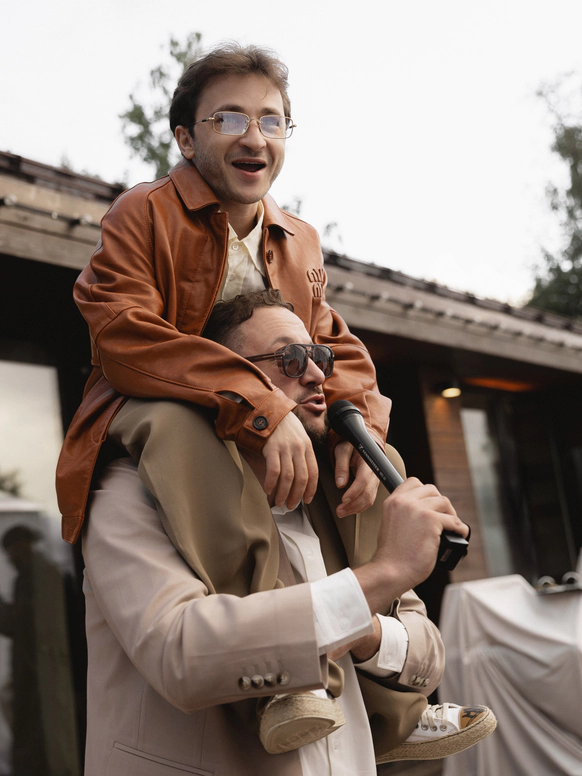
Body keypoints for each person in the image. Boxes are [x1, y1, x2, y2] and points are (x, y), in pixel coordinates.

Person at [81, 290, 495, 775]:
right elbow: (181, 653)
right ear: (223, 380)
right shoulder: (129, 492)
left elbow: (427, 651)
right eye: (290, 359)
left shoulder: (338, 497)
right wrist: (384, 575)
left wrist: (358, 624)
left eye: (319, 357)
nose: (317, 374)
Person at [56, 42, 391, 550]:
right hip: (160, 404)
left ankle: (380, 589)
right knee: (176, 427)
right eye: (230, 119)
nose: (255, 138)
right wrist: (261, 405)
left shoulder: (300, 238)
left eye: (272, 121)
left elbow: (330, 343)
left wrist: (361, 425)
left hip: (269, 407)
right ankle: (242, 595)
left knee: (370, 454)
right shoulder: (142, 212)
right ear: (186, 140)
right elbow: (126, 339)